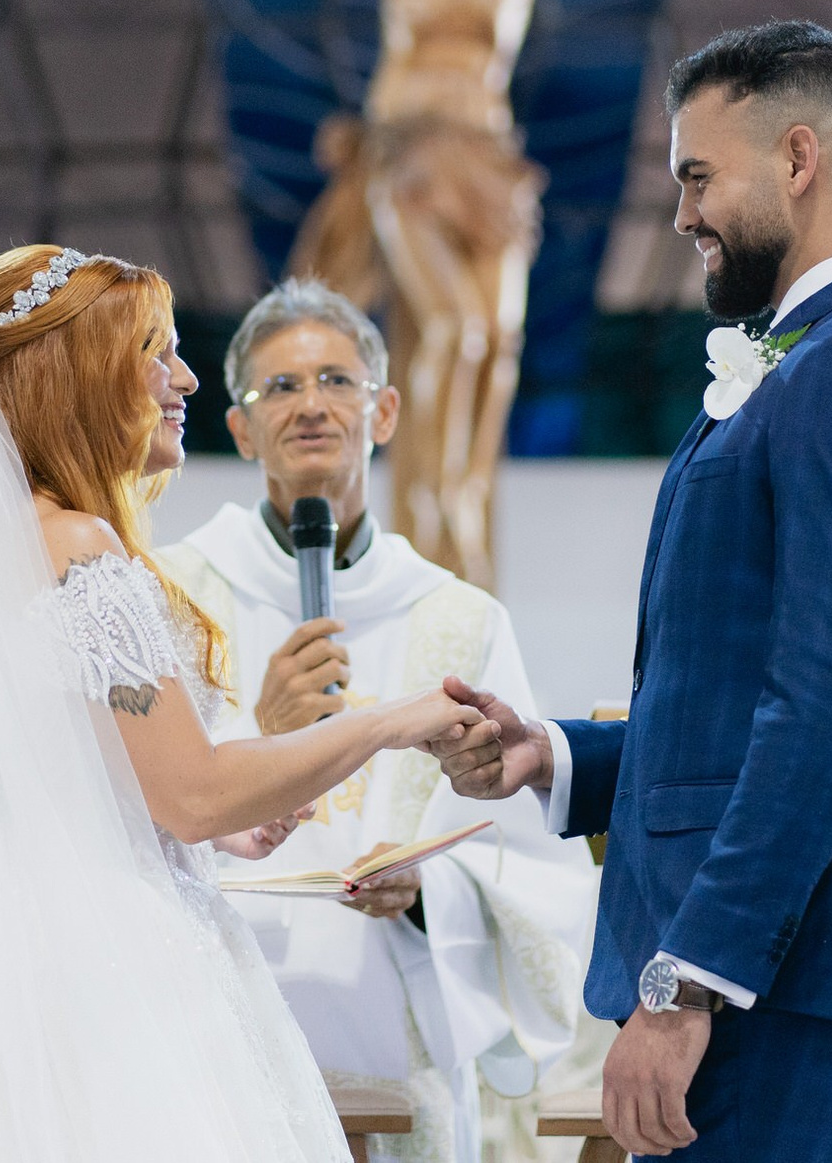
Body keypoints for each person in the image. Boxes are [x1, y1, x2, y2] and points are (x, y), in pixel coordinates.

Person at [0, 244, 482, 1163]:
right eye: (155, 352)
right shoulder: (79, 549)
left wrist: (231, 828)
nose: (186, 376)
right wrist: (390, 720)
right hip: (104, 973)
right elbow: (194, 791)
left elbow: (116, 784)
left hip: (30, 953)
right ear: (81, 377)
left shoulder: (10, 548)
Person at [427, 21, 832, 1161]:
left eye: (696, 175)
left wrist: (687, 986)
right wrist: (556, 756)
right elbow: (736, 700)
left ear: (798, 159)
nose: (680, 215)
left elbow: (829, 710)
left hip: (781, 976)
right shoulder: (803, 360)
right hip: (763, 976)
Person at [159, 0, 718, 585]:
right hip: (409, 155)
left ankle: (458, 508)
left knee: (494, 347)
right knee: (449, 328)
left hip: (490, 163)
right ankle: (423, 507)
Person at [157, 279, 596, 1163]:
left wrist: (431, 896)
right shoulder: (172, 592)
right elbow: (129, 807)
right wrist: (260, 728)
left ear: (385, 409)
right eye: (279, 387)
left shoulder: (463, 618)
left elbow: (528, 853)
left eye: (337, 380)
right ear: (239, 429)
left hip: (392, 1018)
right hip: (212, 1009)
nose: (311, 404)